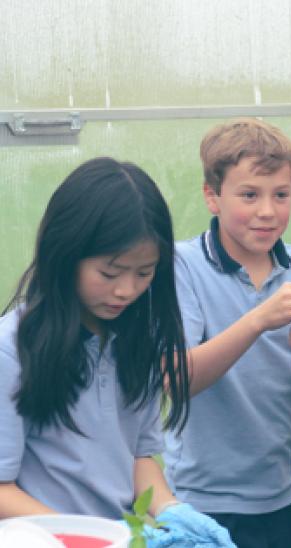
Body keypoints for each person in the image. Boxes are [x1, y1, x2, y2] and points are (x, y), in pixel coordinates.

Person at [0, 158, 233, 546]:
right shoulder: (12, 349)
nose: (126, 290)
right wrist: (91, 536)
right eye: (110, 273)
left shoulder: (137, 340)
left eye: (144, 273)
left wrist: (171, 509)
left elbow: (139, 458)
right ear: (65, 255)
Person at [163, 118, 291, 548]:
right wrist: (260, 318)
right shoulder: (181, 265)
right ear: (212, 196)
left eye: (281, 195)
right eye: (249, 195)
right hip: (198, 501)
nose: (267, 211)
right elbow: (176, 381)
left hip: (278, 499)